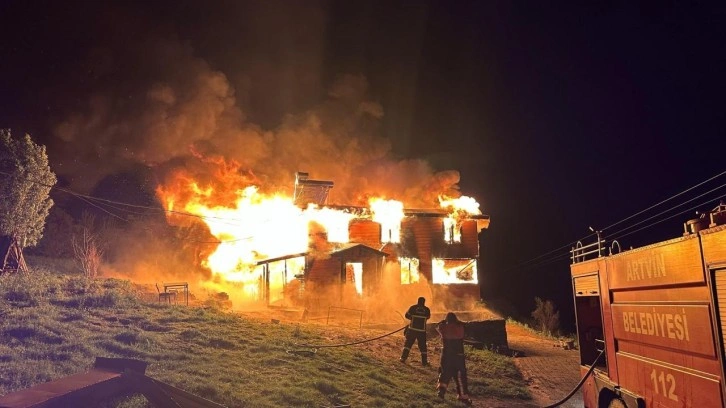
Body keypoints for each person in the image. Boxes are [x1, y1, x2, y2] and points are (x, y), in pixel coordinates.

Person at [436, 312, 472, 405]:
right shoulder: (460, 327)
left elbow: (437, 327)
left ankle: (441, 391)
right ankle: (463, 396)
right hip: (458, 355)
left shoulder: (443, 327)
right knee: (460, 375)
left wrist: (443, 322)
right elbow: (466, 329)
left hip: (446, 354)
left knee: (444, 372)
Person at [399, 296, 431, 366]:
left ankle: (403, 358)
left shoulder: (413, 308)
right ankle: (424, 362)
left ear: (418, 301)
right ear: (424, 302)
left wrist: (412, 318)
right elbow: (428, 317)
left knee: (408, 344)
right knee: (423, 346)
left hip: (412, 329)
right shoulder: (427, 310)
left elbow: (406, 315)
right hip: (422, 331)